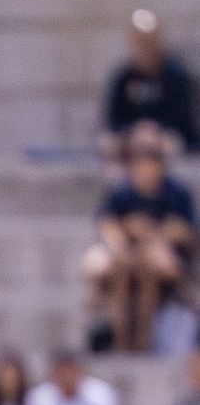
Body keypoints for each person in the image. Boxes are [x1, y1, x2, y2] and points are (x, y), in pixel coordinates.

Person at [84, 135, 197, 353]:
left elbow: (186, 230)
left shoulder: (177, 193)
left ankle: (144, 337)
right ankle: (120, 335)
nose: (146, 172)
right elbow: (106, 223)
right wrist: (125, 232)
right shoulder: (122, 192)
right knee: (113, 262)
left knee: (151, 260)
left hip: (163, 255)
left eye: (151, 165)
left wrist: (155, 233)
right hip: (126, 253)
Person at [100, 12, 196, 158]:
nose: (144, 46)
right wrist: (133, 131)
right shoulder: (123, 78)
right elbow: (114, 118)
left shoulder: (176, 77)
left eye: (149, 40)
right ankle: (120, 181)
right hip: (133, 139)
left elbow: (183, 119)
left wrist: (155, 130)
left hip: (169, 138)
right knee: (108, 144)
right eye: (140, 40)